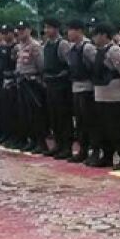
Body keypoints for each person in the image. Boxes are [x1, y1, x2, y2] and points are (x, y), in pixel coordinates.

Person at [87, 23, 120, 169]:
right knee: (104, 129)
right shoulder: (99, 51)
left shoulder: (114, 51)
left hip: (115, 96)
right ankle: (107, 155)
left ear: (103, 35)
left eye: (96, 34)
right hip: (101, 95)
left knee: (118, 128)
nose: (94, 38)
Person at [42, 18, 74, 158]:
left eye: (49, 27)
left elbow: (70, 65)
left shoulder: (63, 44)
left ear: (56, 29)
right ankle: (58, 144)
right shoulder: (47, 45)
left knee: (63, 117)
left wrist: (60, 77)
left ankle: (66, 147)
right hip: (50, 84)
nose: (46, 30)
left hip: (61, 85)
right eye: (45, 28)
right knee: (53, 116)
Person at [66, 19, 96, 163]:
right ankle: (83, 150)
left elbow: (95, 67)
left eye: (71, 30)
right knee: (80, 122)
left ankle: (93, 150)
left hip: (87, 88)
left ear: (79, 31)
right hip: (76, 87)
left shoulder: (87, 47)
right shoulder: (72, 48)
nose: (68, 33)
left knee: (90, 122)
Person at [15, 22, 47, 153]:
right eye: (19, 30)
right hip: (22, 82)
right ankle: (33, 140)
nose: (21, 32)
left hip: (32, 82)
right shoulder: (20, 46)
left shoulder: (35, 46)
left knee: (36, 114)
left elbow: (41, 66)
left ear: (29, 30)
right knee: (26, 114)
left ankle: (41, 142)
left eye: (23, 30)